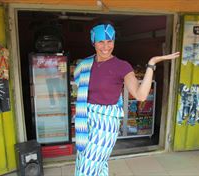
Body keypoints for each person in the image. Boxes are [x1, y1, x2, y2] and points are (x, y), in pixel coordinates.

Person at [74, 22, 180, 176]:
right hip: (85, 120)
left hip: (106, 123)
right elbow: (80, 86)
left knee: (88, 168)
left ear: (114, 42)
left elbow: (140, 95)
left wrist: (151, 65)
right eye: (101, 42)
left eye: (110, 41)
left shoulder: (122, 66)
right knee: (90, 162)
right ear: (93, 42)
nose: (105, 46)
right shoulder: (84, 65)